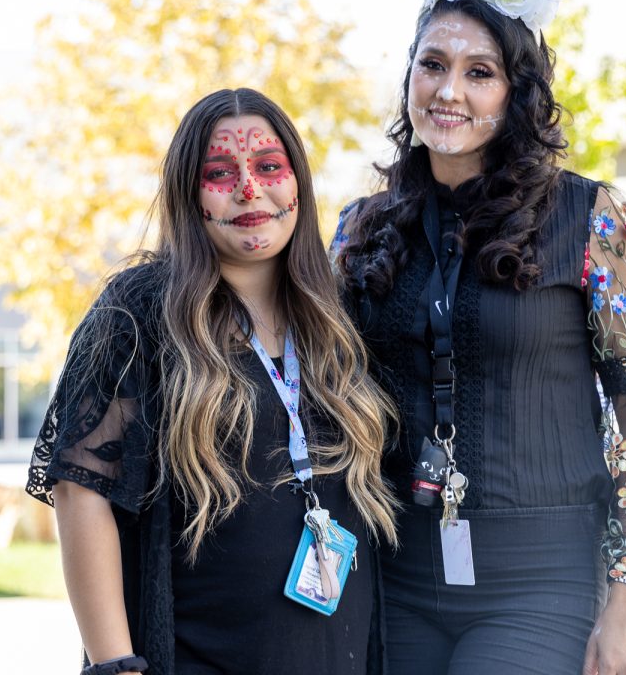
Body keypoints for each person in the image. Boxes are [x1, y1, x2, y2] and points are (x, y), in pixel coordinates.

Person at [332, 0, 626, 675]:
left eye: (480, 73)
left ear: (517, 92)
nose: (449, 91)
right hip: (395, 578)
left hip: (543, 585)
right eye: (432, 64)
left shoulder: (594, 218)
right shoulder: (361, 228)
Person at [27, 88, 400, 675]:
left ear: (298, 180)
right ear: (186, 193)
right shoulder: (139, 312)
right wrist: (114, 664)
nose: (250, 189)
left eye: (269, 167)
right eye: (220, 173)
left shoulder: (335, 315)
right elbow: (81, 490)